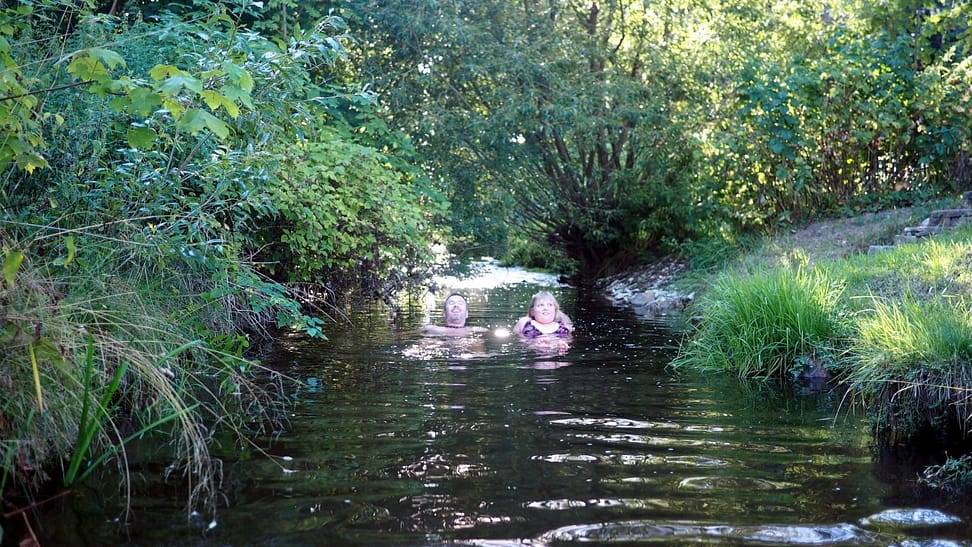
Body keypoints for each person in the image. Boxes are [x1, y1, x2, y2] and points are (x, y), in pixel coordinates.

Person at [421, 293, 488, 335]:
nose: (456, 305)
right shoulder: (431, 329)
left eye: (460, 303)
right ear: (444, 313)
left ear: (466, 314)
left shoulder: (477, 330)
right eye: (451, 303)